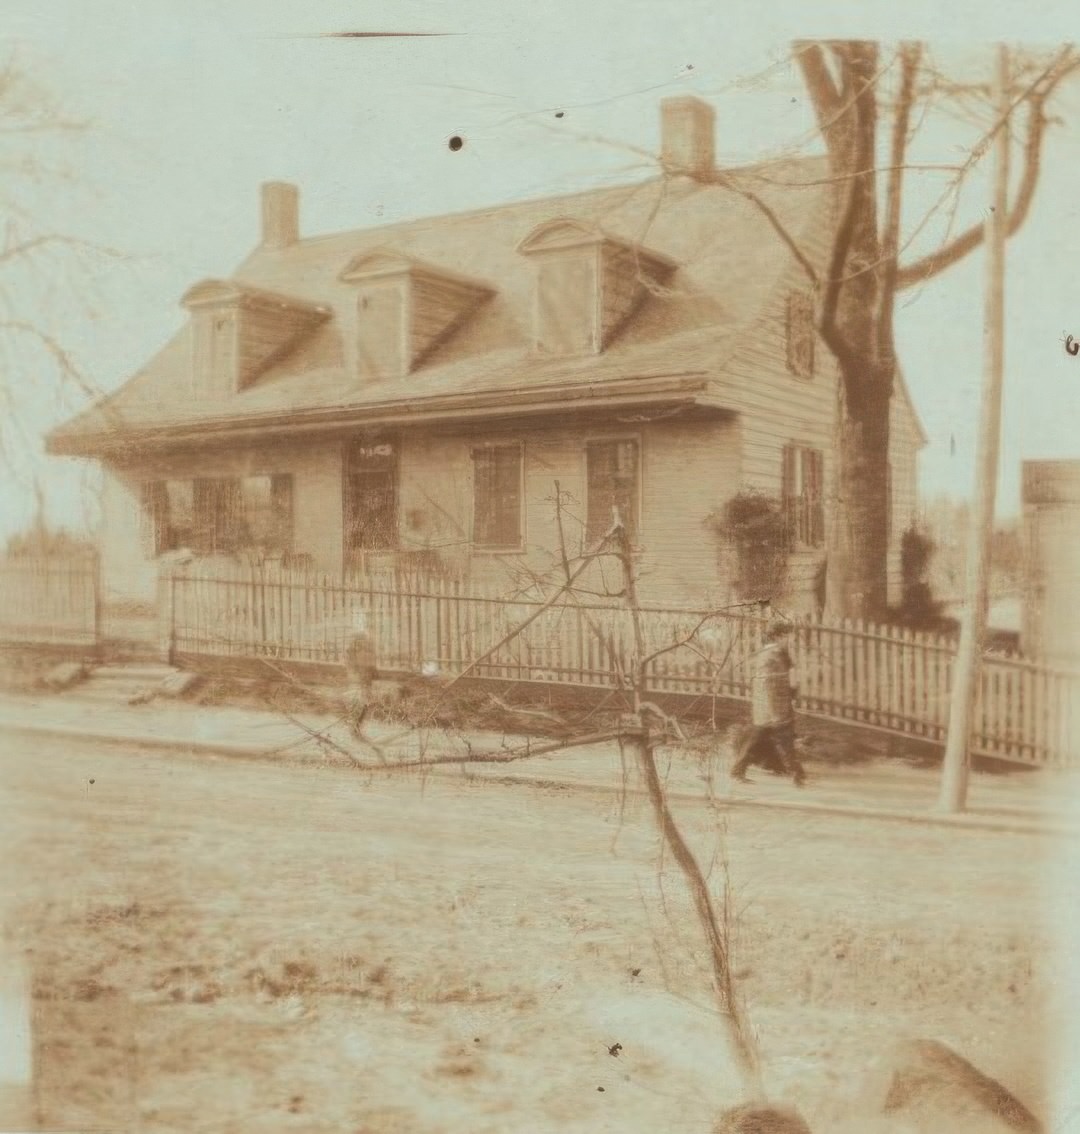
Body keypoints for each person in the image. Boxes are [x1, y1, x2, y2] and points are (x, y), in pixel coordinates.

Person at [730, 619, 806, 786]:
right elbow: (769, 683)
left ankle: (739, 770)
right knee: (781, 740)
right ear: (778, 636)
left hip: (771, 707)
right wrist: (778, 706)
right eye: (787, 635)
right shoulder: (771, 655)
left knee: (758, 740)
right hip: (773, 707)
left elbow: (788, 678)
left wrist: (792, 690)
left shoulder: (778, 654)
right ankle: (797, 775)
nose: (789, 639)